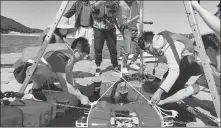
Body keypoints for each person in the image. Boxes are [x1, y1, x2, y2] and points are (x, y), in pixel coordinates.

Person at [156, 1, 221, 105]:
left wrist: (195, 5)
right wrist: (163, 101)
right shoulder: (211, 73)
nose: (196, 57)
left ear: (209, 50)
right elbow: (187, 91)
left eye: (197, 52)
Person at [13, 36, 91, 105]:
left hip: (33, 69)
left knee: (54, 72)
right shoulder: (59, 56)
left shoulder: (68, 56)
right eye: (82, 56)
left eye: (85, 57)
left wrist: (78, 92)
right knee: (45, 70)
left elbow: (69, 77)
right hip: (21, 71)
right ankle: (36, 90)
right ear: (75, 51)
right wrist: (80, 97)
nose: (81, 59)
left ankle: (46, 85)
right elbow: (65, 82)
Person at [138, 31, 200, 105]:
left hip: (193, 65)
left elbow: (174, 71)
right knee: (162, 84)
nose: (148, 52)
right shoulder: (160, 41)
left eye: (148, 48)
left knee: (168, 88)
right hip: (180, 64)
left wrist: (159, 92)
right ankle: (173, 93)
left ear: (152, 42)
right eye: (146, 50)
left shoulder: (171, 46)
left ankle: (179, 97)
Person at [91, 1, 120, 76]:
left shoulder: (115, 2)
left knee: (113, 48)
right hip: (98, 27)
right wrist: (101, 2)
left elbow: (115, 12)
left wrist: (108, 3)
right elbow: (92, 8)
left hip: (110, 28)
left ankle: (115, 66)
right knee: (98, 48)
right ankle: (98, 66)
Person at [118, 0, 141, 74]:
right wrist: (121, 26)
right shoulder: (120, 3)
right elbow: (116, 16)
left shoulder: (136, 3)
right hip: (126, 30)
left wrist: (129, 21)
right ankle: (124, 65)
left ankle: (133, 62)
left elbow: (139, 14)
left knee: (140, 46)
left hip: (134, 28)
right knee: (127, 50)